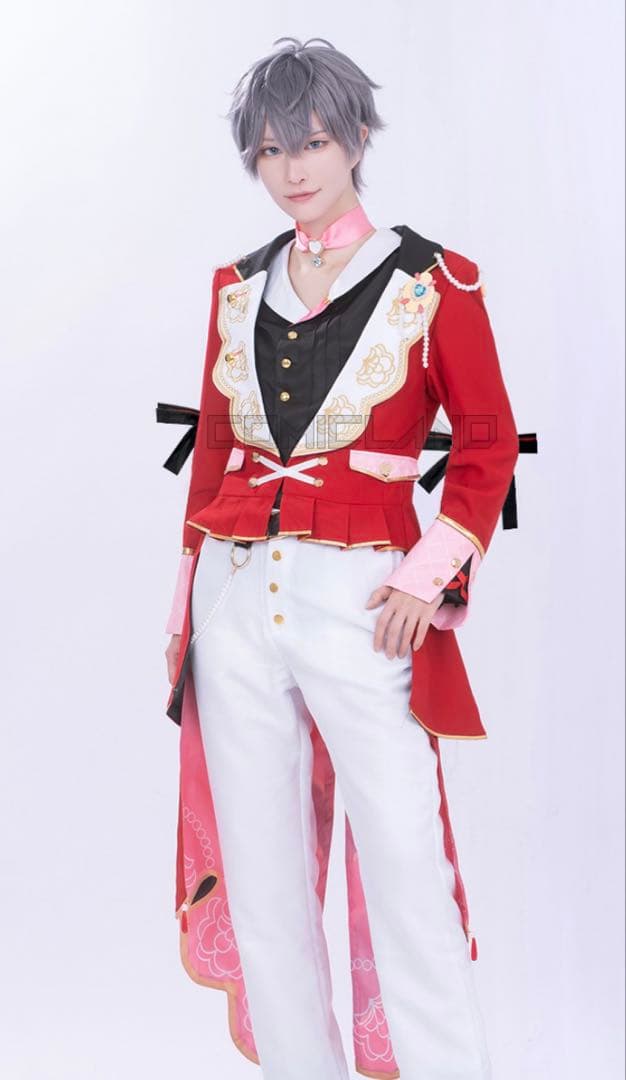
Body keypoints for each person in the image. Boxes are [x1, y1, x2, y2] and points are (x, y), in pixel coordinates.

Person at [160, 35, 520, 1080]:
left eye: (313, 142)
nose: (293, 169)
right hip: (235, 598)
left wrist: (427, 576)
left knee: (408, 865)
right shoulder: (238, 287)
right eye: (271, 150)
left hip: (362, 601)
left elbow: (486, 442)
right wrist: (185, 614)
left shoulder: (431, 280)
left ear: (357, 138)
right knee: (264, 883)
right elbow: (214, 455)